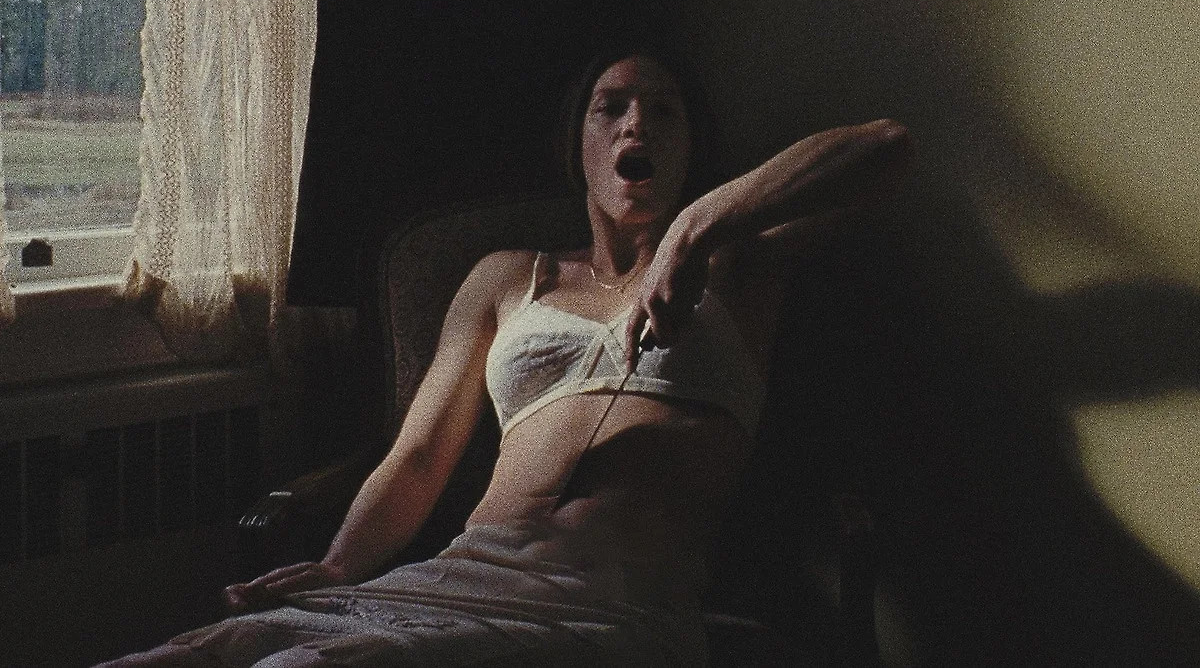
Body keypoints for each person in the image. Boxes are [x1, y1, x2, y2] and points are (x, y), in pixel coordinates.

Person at [100, 42, 912, 667]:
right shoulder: (504, 278)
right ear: (579, 144)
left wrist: (696, 229)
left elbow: (886, 147)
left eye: (664, 113)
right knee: (187, 655)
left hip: (608, 608)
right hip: (455, 580)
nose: (636, 125)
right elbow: (419, 455)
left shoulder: (739, 266)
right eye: (611, 108)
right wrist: (343, 565)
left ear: (692, 149)